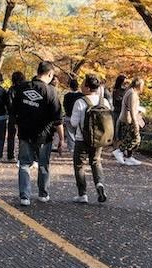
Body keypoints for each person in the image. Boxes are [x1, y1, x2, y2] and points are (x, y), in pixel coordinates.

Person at [14, 60, 63, 206]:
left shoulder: (22, 88)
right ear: (50, 74)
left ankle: (24, 196)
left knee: (24, 164)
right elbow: (57, 119)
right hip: (44, 135)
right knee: (43, 164)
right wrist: (61, 139)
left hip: (25, 132)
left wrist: (18, 127)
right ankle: (43, 193)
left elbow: (14, 110)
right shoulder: (51, 91)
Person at [69, 74, 110, 204]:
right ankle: (99, 184)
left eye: (83, 83)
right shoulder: (104, 102)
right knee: (96, 162)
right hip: (99, 139)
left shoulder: (80, 102)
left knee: (79, 165)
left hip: (82, 139)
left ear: (87, 87)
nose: (81, 85)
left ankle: (83, 194)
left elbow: (74, 123)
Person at [117, 77, 145, 166]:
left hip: (126, 119)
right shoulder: (132, 94)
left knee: (129, 139)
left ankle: (128, 157)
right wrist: (135, 123)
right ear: (139, 85)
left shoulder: (130, 92)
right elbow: (132, 110)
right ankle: (119, 151)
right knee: (136, 139)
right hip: (128, 120)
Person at [4, 71, 25, 162]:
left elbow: (9, 104)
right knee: (22, 137)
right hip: (22, 116)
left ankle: (10, 156)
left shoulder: (11, 90)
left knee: (11, 137)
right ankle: (22, 155)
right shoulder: (24, 89)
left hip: (12, 116)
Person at [62, 77, 83, 153]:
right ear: (77, 86)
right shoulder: (81, 95)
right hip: (79, 117)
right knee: (79, 133)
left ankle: (71, 148)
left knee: (70, 133)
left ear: (70, 86)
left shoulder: (66, 96)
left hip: (69, 116)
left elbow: (64, 105)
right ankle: (79, 148)